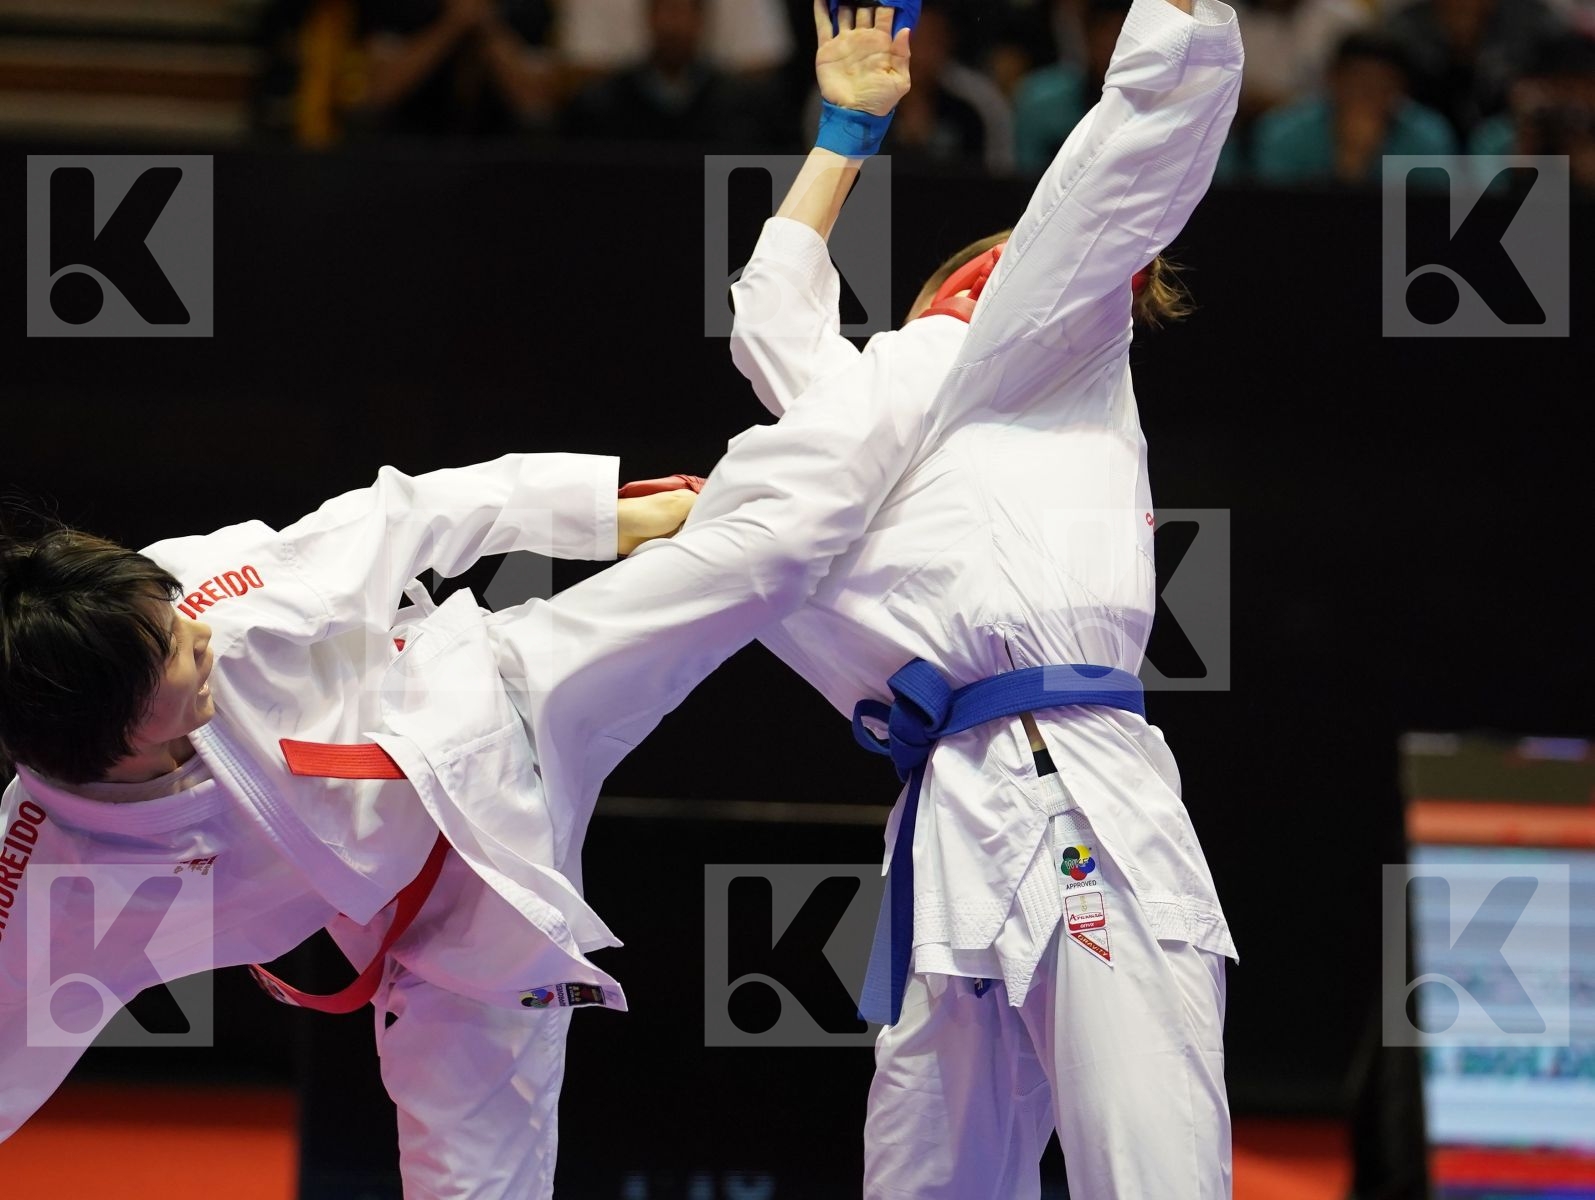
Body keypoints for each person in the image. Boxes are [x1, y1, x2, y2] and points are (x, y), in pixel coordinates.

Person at [717, 0, 1242, 1193]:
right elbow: (768, 317)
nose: (1008, 269)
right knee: (923, 1174)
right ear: (926, 296)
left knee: (1149, 1164)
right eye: (983, 263)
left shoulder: (1045, 356)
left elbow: (1138, 142)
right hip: (946, 811)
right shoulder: (880, 408)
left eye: (1031, 264)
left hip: (1078, 794)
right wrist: (846, 129)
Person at [0, 461, 696, 1195]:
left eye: (172, 617)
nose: (200, 635)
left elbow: (403, 512)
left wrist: (596, 515)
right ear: (116, 727)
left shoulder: (207, 589)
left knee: (762, 546)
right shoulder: (51, 878)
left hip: (485, 707)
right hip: (441, 943)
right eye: (171, 649)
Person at [1252, 29, 1457, 186]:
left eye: (1382, 86)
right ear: (1332, 79)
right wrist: (1349, 161)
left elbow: (1435, 215)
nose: (1368, 95)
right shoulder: (1284, 132)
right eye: (1358, 83)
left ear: (1402, 89)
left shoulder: (1429, 137)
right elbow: (1275, 210)